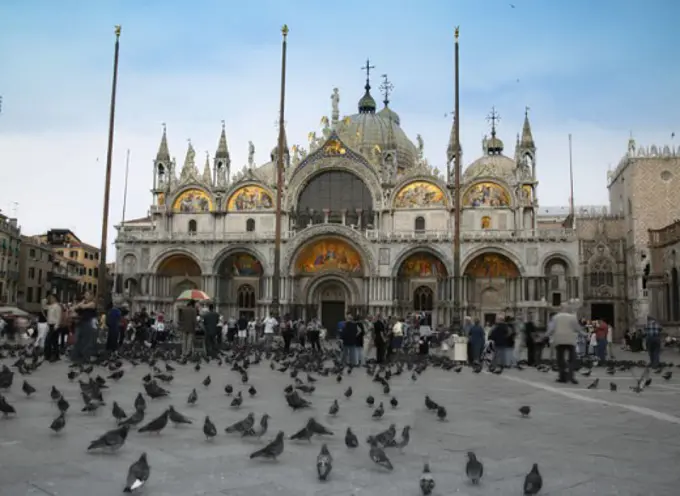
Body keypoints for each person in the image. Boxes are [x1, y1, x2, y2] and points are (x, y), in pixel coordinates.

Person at [545, 304, 584, 384]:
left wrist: (545, 336)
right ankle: (571, 376)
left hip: (559, 340)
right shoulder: (572, 317)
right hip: (570, 340)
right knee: (572, 359)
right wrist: (584, 334)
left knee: (560, 359)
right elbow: (577, 328)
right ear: (568, 309)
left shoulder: (556, 317)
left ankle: (562, 377)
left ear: (560, 309)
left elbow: (551, 329)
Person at [70, 291, 97, 364]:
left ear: (91, 296)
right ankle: (76, 357)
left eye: (87, 295)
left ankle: (85, 358)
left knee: (87, 341)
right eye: (85, 294)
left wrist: (81, 304)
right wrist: (79, 304)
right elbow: (73, 308)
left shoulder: (93, 303)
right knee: (78, 341)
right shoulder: (83, 302)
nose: (85, 296)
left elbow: (83, 307)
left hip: (88, 323)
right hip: (80, 323)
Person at [43, 294, 63, 362]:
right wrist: (45, 300)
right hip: (50, 325)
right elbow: (44, 307)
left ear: (55, 298)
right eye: (50, 298)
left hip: (55, 325)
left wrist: (56, 326)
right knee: (54, 341)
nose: (50, 299)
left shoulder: (57, 307)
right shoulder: (50, 306)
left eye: (51, 298)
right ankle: (54, 355)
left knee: (48, 341)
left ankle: (50, 355)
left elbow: (59, 317)